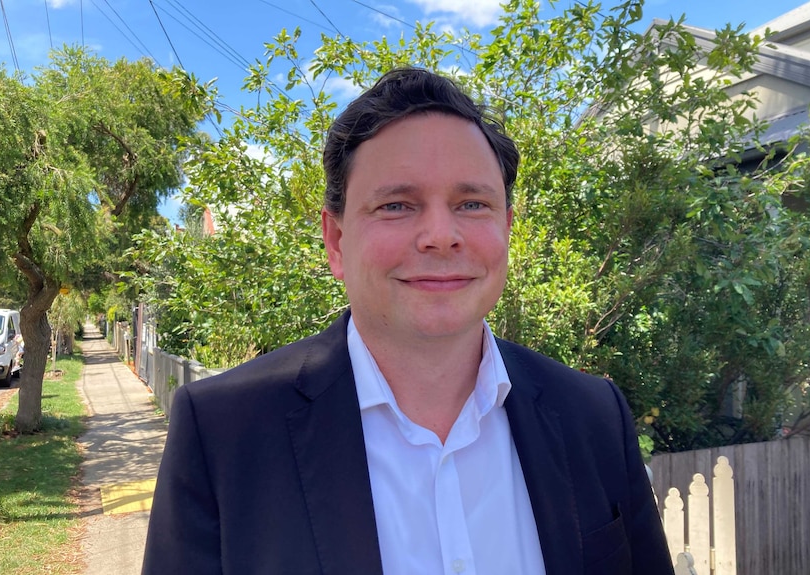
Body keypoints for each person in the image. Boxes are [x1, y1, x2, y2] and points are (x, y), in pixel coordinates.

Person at [142, 68, 674, 575]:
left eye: (472, 203)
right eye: (397, 205)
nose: (441, 235)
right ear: (336, 240)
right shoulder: (224, 434)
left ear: (507, 229)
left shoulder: (594, 417)